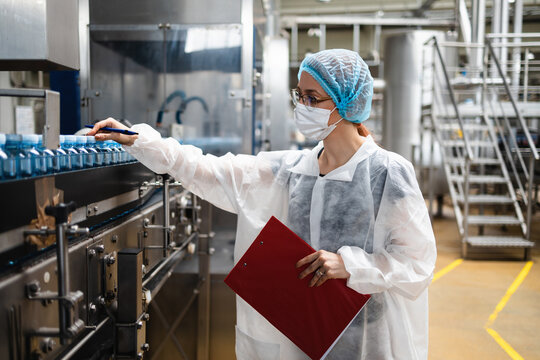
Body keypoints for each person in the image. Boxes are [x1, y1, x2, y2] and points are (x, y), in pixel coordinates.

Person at [88, 49, 437, 360]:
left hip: (365, 339)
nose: (302, 107)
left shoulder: (387, 173)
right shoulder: (292, 170)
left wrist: (351, 264)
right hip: (299, 334)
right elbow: (210, 170)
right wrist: (138, 139)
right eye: (299, 95)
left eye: (313, 98)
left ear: (346, 103)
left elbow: (417, 264)